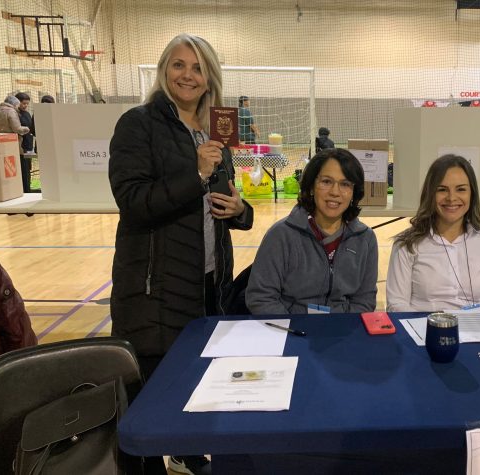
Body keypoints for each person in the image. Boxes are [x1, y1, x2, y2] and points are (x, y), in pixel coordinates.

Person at [109, 33, 253, 475]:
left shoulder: (214, 131)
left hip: (209, 282)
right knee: (152, 399)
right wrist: (195, 171)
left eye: (196, 67)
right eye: (178, 65)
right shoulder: (138, 124)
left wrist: (239, 210)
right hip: (155, 288)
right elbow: (133, 201)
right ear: (163, 71)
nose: (187, 75)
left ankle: (190, 454)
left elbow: (227, 205)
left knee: (200, 384)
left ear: (209, 77)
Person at [247, 148, 378, 315]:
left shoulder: (365, 239)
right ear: (311, 186)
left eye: (345, 184)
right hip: (292, 331)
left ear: (354, 192)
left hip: (340, 332)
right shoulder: (281, 235)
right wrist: (295, 331)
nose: (335, 192)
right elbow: (260, 297)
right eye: (326, 182)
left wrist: (342, 330)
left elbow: (364, 301)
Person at [386, 155, 480, 312]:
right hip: (426, 331)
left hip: (479, 331)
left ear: (472, 194)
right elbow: (397, 304)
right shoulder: (406, 244)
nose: (452, 198)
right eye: (442, 190)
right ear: (430, 194)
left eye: (461, 189)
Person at [15, 92, 34, 193]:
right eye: (23, 103)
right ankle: (24, 191)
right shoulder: (15, 114)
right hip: (21, 147)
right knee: (23, 171)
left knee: (28, 171)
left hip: (29, 146)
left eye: (27, 103)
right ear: (18, 102)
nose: (25, 105)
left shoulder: (27, 113)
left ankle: (28, 189)